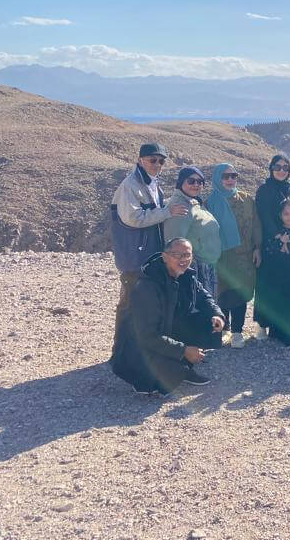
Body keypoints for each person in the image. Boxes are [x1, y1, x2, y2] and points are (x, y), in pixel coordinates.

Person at [110, 238, 225, 393]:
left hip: (164, 329)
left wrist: (217, 314)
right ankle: (143, 375)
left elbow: (204, 297)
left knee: (206, 320)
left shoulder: (186, 275)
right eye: (177, 255)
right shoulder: (147, 286)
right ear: (164, 257)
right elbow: (147, 336)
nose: (183, 259)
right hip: (135, 346)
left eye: (187, 255)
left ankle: (182, 367)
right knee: (158, 384)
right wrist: (183, 350)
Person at [110, 142, 188, 334]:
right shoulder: (131, 185)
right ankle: (121, 349)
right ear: (140, 160)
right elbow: (133, 218)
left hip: (148, 253)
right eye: (152, 160)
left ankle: (138, 348)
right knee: (129, 303)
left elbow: (155, 210)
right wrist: (167, 212)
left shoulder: (151, 184)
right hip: (134, 254)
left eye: (161, 161)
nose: (157, 164)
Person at [206, 164, 261, 349]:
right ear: (217, 179)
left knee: (240, 292)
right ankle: (225, 329)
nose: (230, 180)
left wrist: (257, 248)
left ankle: (238, 332)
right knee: (222, 292)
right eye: (225, 176)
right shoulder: (210, 203)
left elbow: (256, 225)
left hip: (244, 256)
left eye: (233, 176)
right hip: (221, 256)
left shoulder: (246, 200)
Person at [254, 199, 290, 346]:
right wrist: (281, 242)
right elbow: (270, 250)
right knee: (281, 301)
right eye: (286, 214)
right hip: (280, 272)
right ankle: (279, 332)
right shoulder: (276, 231)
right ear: (280, 215)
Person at [162, 167, 221, 299]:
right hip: (194, 269)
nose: (196, 184)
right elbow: (174, 241)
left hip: (205, 266)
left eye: (200, 182)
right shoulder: (181, 206)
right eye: (191, 181)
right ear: (181, 182)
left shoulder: (194, 202)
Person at [255, 153, 290, 251]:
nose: (281, 171)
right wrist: (278, 235)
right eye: (277, 167)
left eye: (285, 168)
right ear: (271, 169)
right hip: (272, 242)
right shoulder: (264, 189)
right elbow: (264, 216)